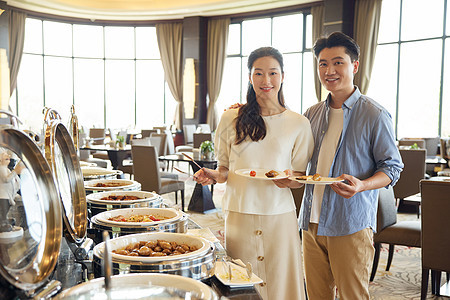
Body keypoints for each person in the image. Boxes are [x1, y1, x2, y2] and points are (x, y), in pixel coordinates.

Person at [193, 47, 314, 299]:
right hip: (240, 211)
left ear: (282, 76)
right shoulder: (230, 118)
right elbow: (224, 169)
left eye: (272, 73)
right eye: (258, 73)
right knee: (241, 281)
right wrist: (213, 175)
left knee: (281, 279)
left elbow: (299, 177)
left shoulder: (298, 123)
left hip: (279, 214)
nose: (266, 80)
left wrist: (289, 180)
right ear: (250, 77)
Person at [291, 32, 403, 299]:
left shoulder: (374, 114)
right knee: (317, 295)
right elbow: (299, 163)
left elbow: (392, 167)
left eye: (338, 62)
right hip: (311, 222)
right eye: (323, 63)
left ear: (354, 66)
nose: (329, 70)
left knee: (352, 295)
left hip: (349, 223)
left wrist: (363, 184)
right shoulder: (312, 113)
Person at [0, 149, 24, 232]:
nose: (8, 155)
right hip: (3, 196)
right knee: (3, 210)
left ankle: (4, 221)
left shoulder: (5, 169)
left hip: (8, 196)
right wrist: (15, 171)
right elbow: (6, 179)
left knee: (5, 210)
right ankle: (2, 223)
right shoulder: (2, 169)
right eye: (5, 154)